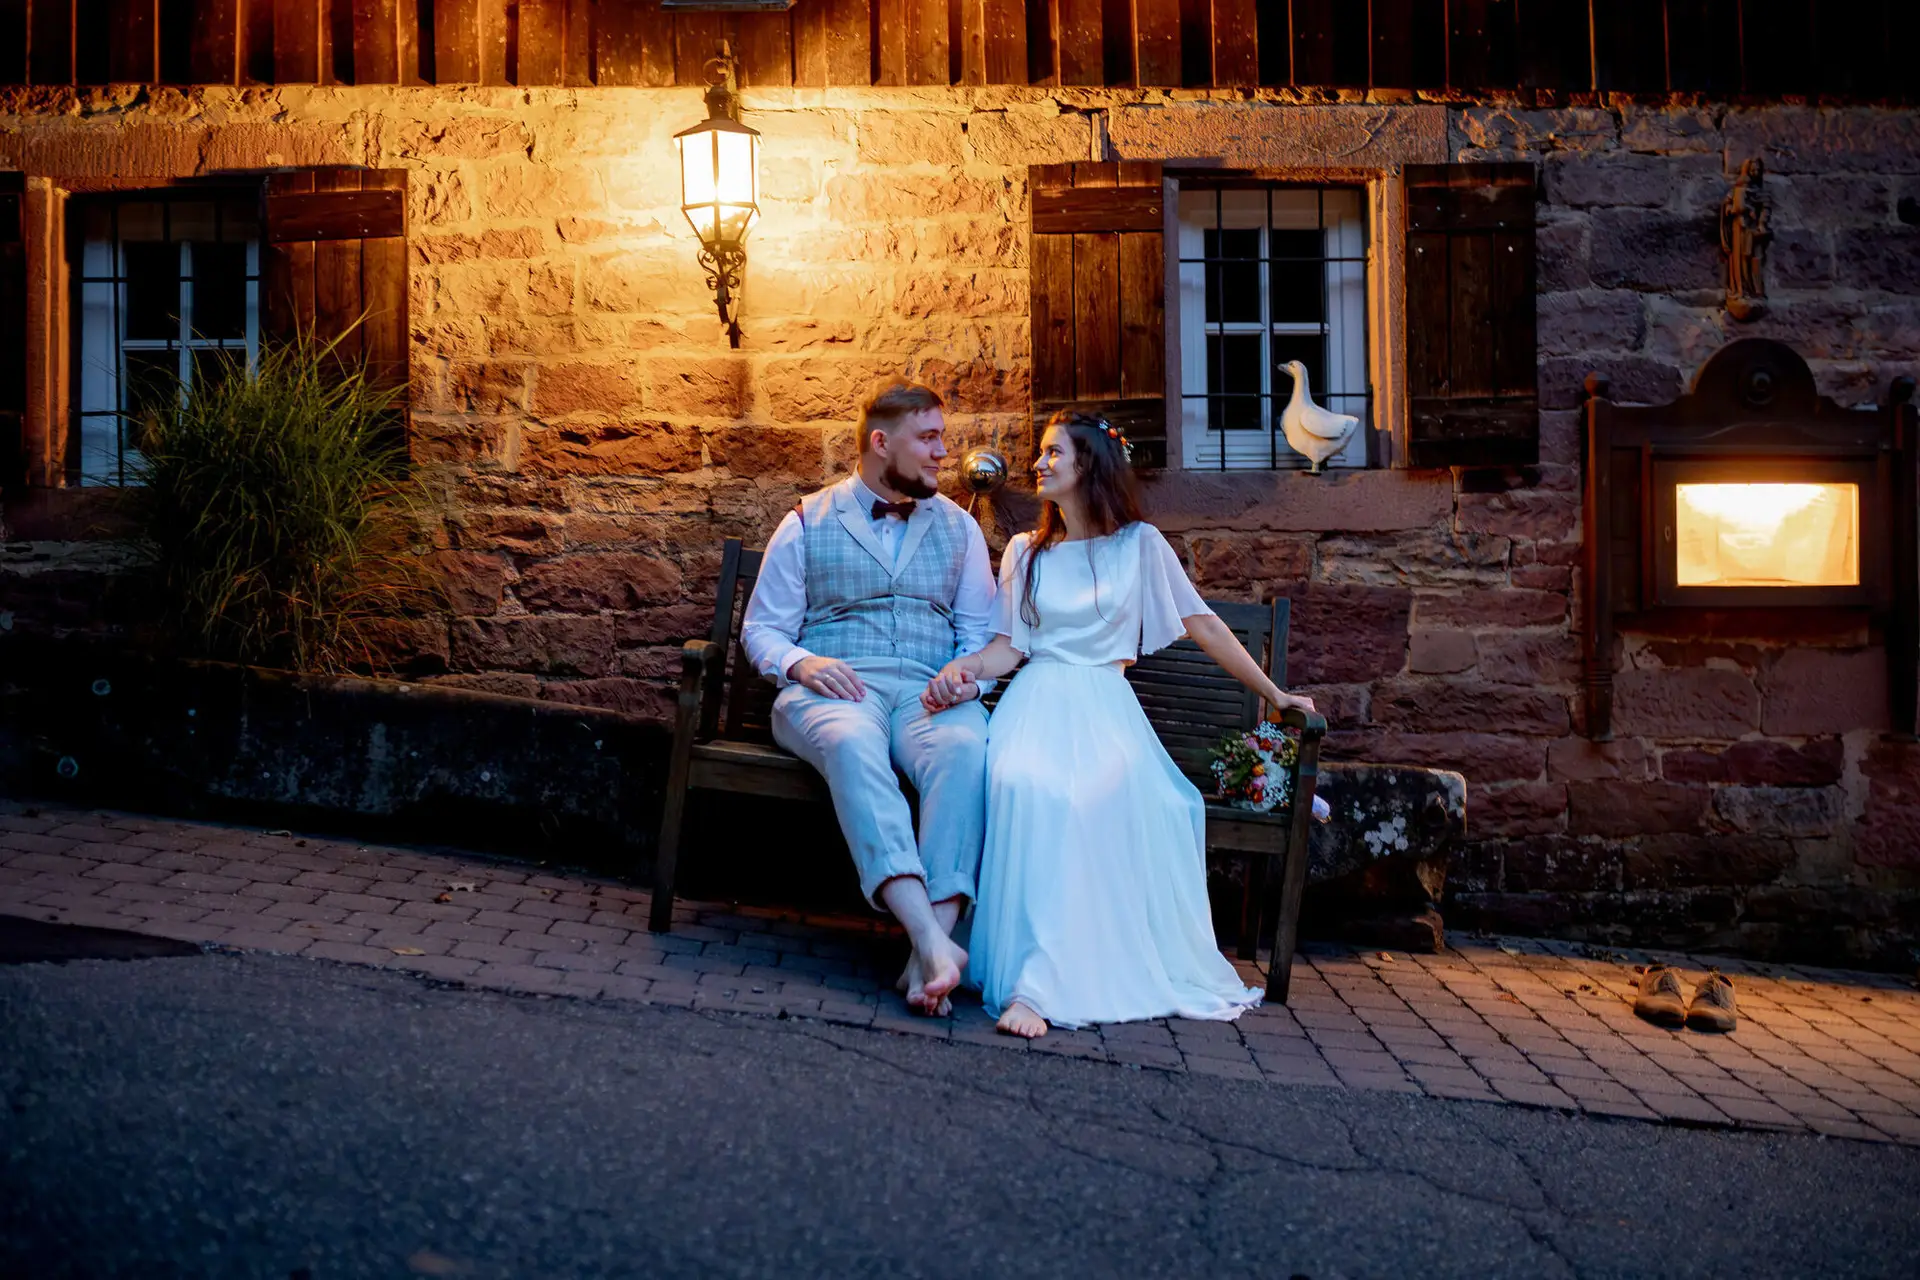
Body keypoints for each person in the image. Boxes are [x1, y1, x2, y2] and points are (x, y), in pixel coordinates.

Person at [922, 411, 1318, 1039]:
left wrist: (1273, 693)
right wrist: (961, 670)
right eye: (1041, 453)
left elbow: (1203, 623)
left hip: (1105, 710)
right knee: (1025, 785)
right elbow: (1006, 649)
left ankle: (1043, 985)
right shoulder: (1025, 552)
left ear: (1089, 464)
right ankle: (1026, 974)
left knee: (1084, 797)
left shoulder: (1140, 545)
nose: (1039, 464)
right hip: (1035, 704)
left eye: (1053, 453)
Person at [741, 378, 995, 1016]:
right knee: (853, 742)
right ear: (881, 443)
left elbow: (979, 637)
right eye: (928, 438)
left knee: (966, 749)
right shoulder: (806, 520)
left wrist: (966, 675)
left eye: (942, 437)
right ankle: (932, 941)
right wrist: (802, 663)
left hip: (927, 693)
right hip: (835, 688)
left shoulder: (961, 528)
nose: (943, 452)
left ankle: (928, 952)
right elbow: (762, 630)